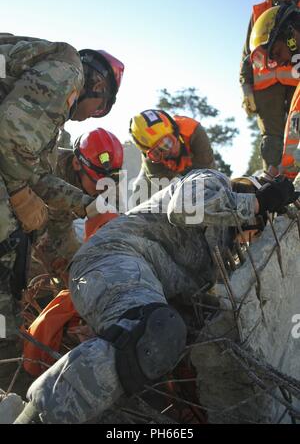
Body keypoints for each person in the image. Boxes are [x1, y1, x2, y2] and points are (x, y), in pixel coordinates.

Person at [14, 169, 299, 424]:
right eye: (257, 227)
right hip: (114, 255)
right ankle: (36, 419)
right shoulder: (212, 182)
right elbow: (184, 209)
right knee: (150, 333)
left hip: (137, 285)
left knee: (162, 345)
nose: (248, 239)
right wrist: (259, 202)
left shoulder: (214, 261)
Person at [0, 33, 124, 383]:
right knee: (7, 236)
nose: (88, 118)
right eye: (97, 109)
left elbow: (36, 173)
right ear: (95, 85)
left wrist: (87, 206)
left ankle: (6, 346)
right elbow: (9, 139)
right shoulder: (68, 71)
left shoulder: (49, 127)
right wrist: (21, 196)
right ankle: (5, 352)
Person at [33, 128, 124, 281]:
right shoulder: (47, 165)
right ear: (76, 163)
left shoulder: (108, 181)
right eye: (97, 183)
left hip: (58, 226)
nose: (102, 190)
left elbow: (116, 228)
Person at [240, 0, 300, 178]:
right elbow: (247, 54)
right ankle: (273, 193)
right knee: (272, 141)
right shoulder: (260, 10)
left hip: (296, 80)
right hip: (266, 88)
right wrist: (245, 86)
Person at [129, 109, 215, 201]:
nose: (167, 151)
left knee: (212, 186)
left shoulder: (193, 130)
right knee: (140, 188)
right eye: (157, 152)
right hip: (171, 177)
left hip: (196, 169)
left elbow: (207, 170)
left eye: (167, 142)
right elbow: (166, 186)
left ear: (175, 131)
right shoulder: (150, 160)